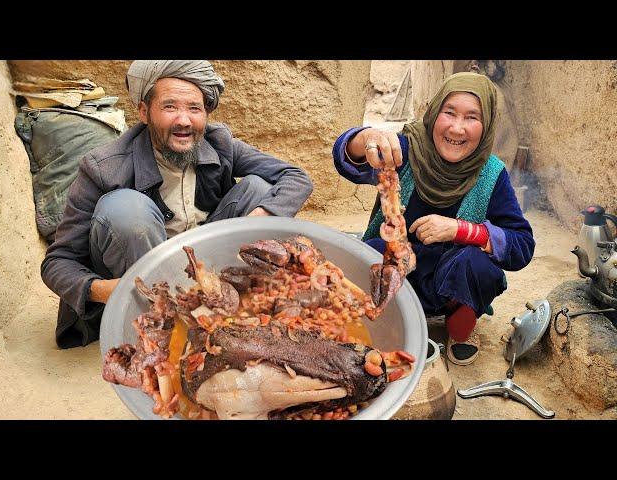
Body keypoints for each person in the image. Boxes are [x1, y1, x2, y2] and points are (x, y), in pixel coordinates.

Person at [42, 60, 314, 349]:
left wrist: (260, 216)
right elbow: (57, 262)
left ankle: (229, 306)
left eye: (194, 109)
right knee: (126, 209)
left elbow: (296, 178)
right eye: (170, 107)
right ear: (144, 112)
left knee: (259, 189)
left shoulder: (219, 143)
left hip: (203, 266)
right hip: (141, 279)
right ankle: (158, 326)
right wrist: (106, 289)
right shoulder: (103, 167)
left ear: (206, 114)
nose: (184, 120)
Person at [333, 72, 534, 365]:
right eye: (449, 113)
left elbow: (522, 245)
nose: (457, 127)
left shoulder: (491, 173)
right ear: (433, 112)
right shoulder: (407, 150)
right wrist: (365, 138)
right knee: (367, 254)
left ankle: (460, 326)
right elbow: (345, 160)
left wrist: (461, 230)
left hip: (450, 281)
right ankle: (388, 318)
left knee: (479, 267)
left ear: (487, 124)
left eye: (471, 117)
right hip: (396, 275)